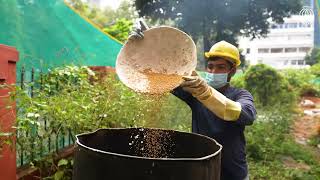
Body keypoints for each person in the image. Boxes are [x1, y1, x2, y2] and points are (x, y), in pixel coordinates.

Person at [130, 20, 256, 180]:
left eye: (221, 67)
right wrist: (151, 43)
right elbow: (167, 75)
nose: (213, 71)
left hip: (233, 173)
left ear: (232, 71)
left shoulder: (240, 95)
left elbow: (246, 115)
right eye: (210, 66)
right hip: (202, 170)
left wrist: (206, 93)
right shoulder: (194, 91)